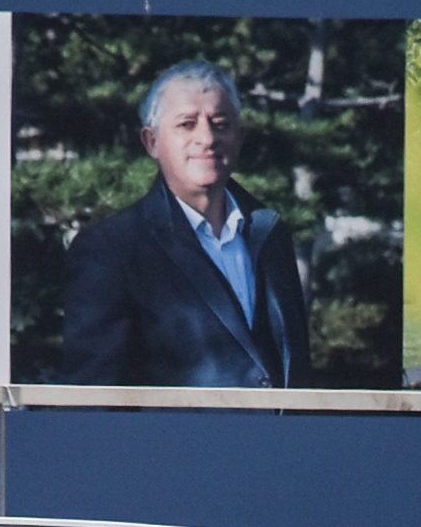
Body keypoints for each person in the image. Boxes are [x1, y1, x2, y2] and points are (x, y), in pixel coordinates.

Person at [57, 60, 310, 388]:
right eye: (187, 124)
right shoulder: (110, 249)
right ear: (151, 142)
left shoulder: (270, 233)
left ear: (239, 137)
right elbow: (92, 400)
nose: (207, 138)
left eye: (220, 124)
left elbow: (296, 370)